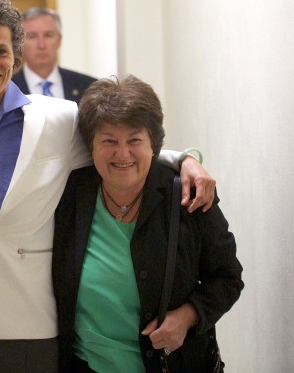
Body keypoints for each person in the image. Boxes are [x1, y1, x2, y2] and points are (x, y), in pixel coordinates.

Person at [0, 0, 216, 373]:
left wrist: (184, 159)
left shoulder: (56, 119)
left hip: (29, 317)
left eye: (1, 51)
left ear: (15, 56)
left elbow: (116, 149)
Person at [52, 75, 243, 373]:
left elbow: (228, 278)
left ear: (153, 144)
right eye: (109, 141)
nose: (122, 153)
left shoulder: (188, 197)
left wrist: (190, 315)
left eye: (134, 140)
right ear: (91, 147)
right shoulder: (70, 196)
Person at [11, 7, 96, 104]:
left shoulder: (89, 87)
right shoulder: (6, 90)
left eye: (48, 35)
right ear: (20, 43)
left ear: (59, 40)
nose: (41, 45)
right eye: (32, 36)